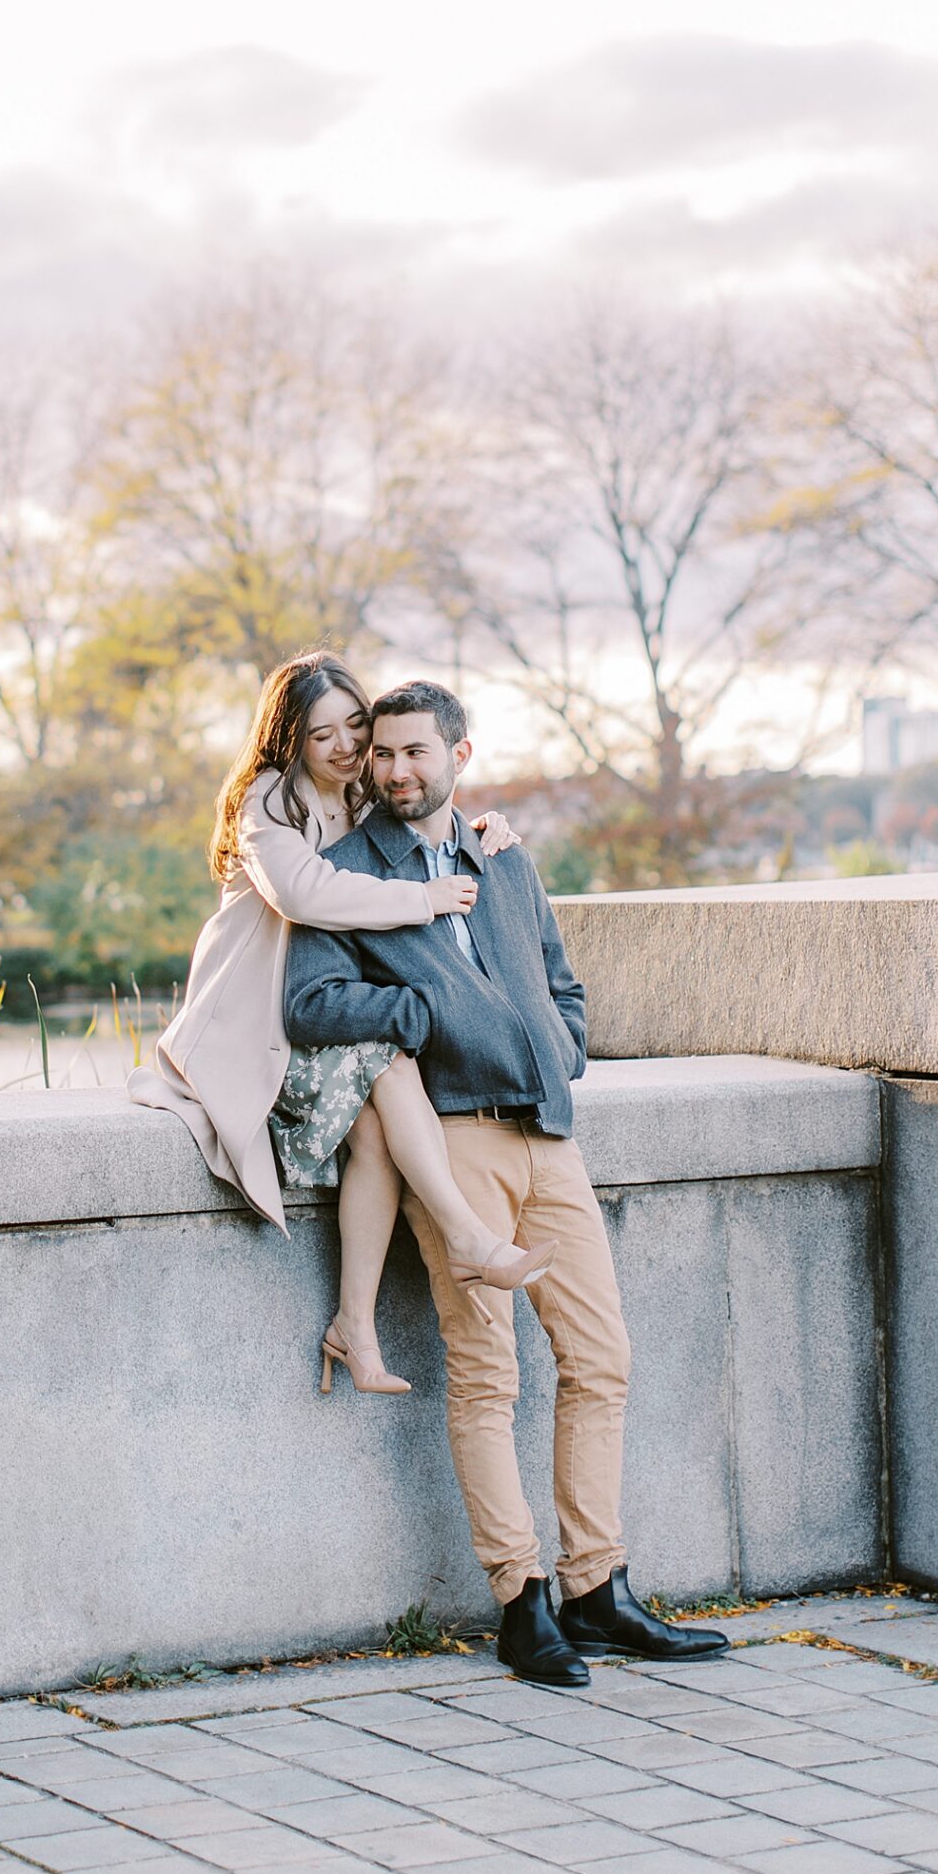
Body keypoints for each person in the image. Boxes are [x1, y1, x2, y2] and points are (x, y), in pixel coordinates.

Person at [283, 678, 730, 1689]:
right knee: (487, 1375)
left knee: (601, 1359)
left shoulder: (504, 857)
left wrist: (555, 1044)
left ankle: (596, 1588)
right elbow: (309, 1002)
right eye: (382, 752)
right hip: (450, 1143)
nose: (397, 768)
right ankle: (521, 1602)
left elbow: (559, 979)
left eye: (416, 752)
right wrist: (427, 1018)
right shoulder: (342, 872)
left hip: (547, 1135)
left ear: (459, 755)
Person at [127, 651, 556, 1396]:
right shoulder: (269, 801)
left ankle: (353, 1326)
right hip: (255, 1019)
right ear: (287, 740)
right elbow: (305, 893)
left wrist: (482, 827)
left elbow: (424, 816)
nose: (346, 746)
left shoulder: (362, 794)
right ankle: (464, 1236)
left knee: (373, 1135)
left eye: (355, 725)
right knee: (387, 1063)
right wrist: (426, 900)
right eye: (320, 734)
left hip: (324, 1017)